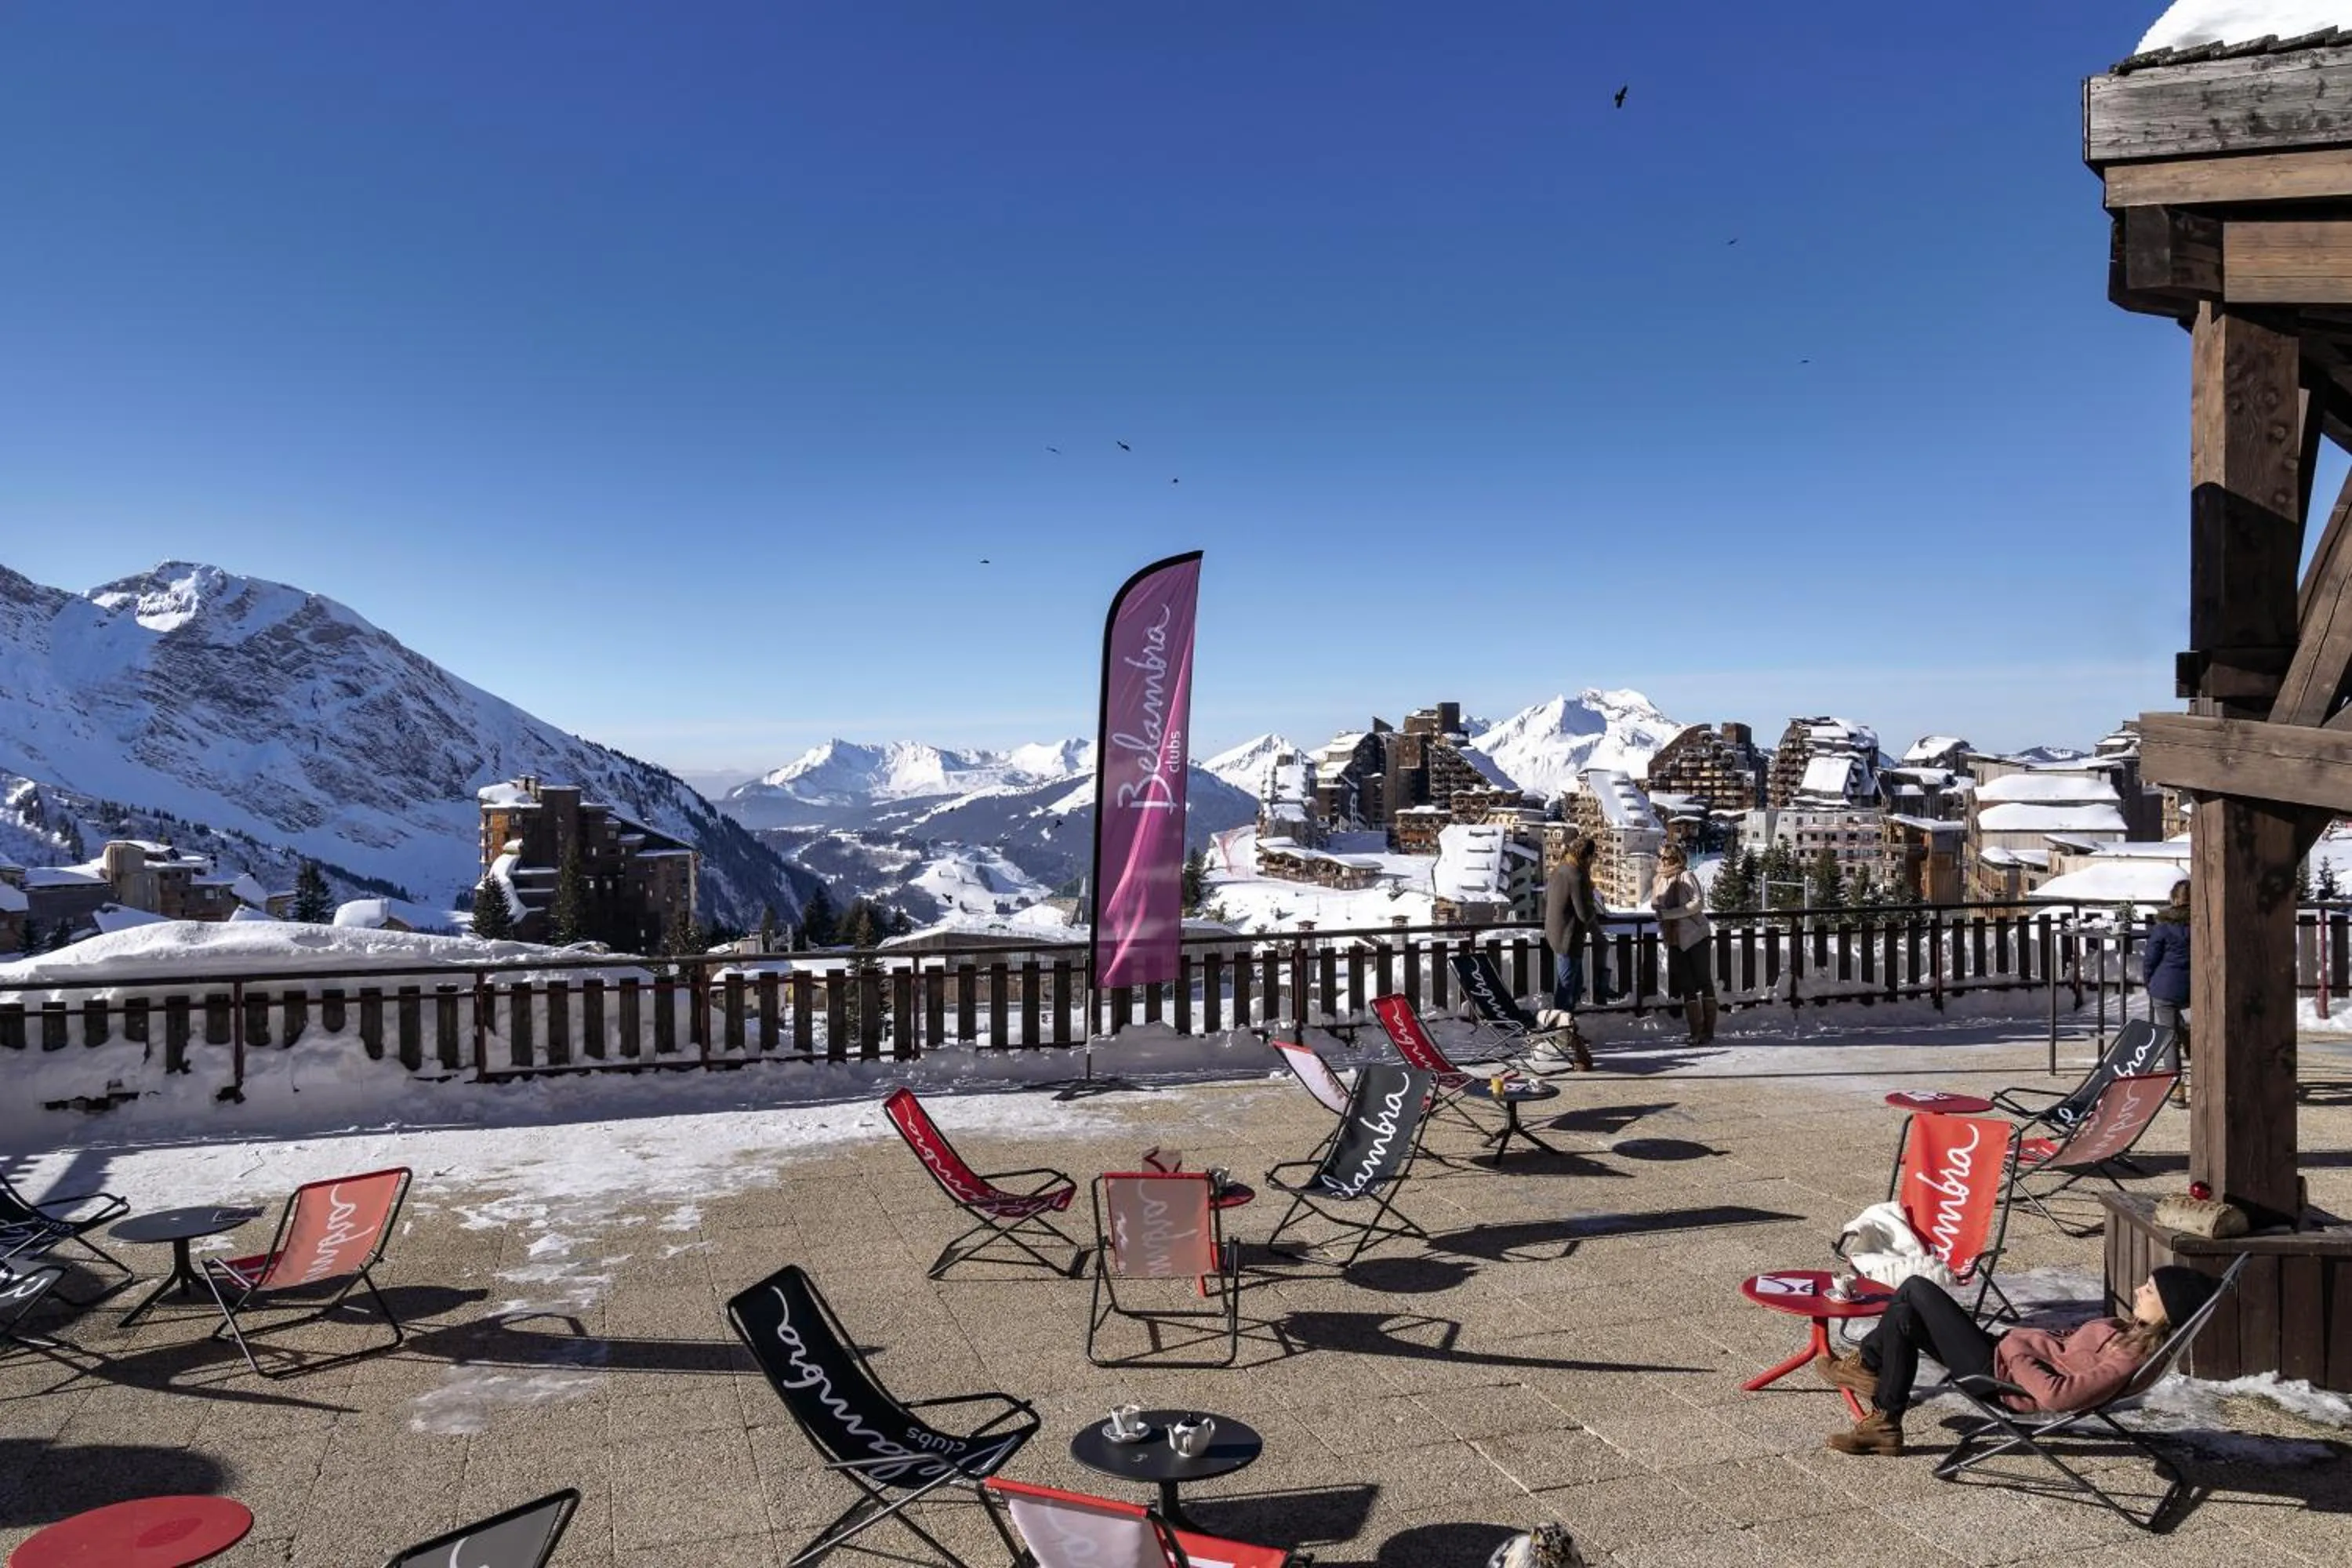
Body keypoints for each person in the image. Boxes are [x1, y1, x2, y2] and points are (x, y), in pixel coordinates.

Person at [1814, 1266, 2216, 1457]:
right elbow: (2066, 1354)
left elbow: (2056, 1396)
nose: (2138, 1288)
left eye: (2149, 1289)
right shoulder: (2131, 1333)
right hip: (2002, 1355)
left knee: (1916, 1290)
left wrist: (2020, 1349)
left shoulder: (2128, 1357)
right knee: (1904, 1315)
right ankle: (1884, 1414)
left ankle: (1869, 1369)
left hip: (1999, 1380)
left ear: (2169, 1308)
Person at [1531, 835, 1601, 1073]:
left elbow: (1545, 898)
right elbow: (1583, 913)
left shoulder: (1560, 868)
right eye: (1593, 857)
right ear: (1587, 856)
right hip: (1570, 937)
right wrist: (1596, 914)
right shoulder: (1577, 875)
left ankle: (1568, 1033)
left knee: (1572, 983)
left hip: (1555, 932)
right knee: (1567, 987)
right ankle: (1562, 1036)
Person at [1650, 844, 1715, 1044]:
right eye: (1660, 857)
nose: (1662, 861)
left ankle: (1708, 1031)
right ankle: (1695, 1031)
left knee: (1703, 981)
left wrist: (1671, 913)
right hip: (1675, 938)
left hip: (1696, 935)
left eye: (1666, 858)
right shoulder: (1658, 880)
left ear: (1676, 859)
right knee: (1687, 985)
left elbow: (1698, 903)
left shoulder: (1686, 876)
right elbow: (1656, 906)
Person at [2140, 877, 2190, 1107]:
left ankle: (2177, 1090)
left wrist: (2150, 982)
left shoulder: (2163, 928)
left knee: (2169, 1038)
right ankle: (2188, 1036)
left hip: (2166, 985)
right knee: (2181, 1029)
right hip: (2198, 986)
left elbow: (2150, 959)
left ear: (2172, 899)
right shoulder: (2206, 923)